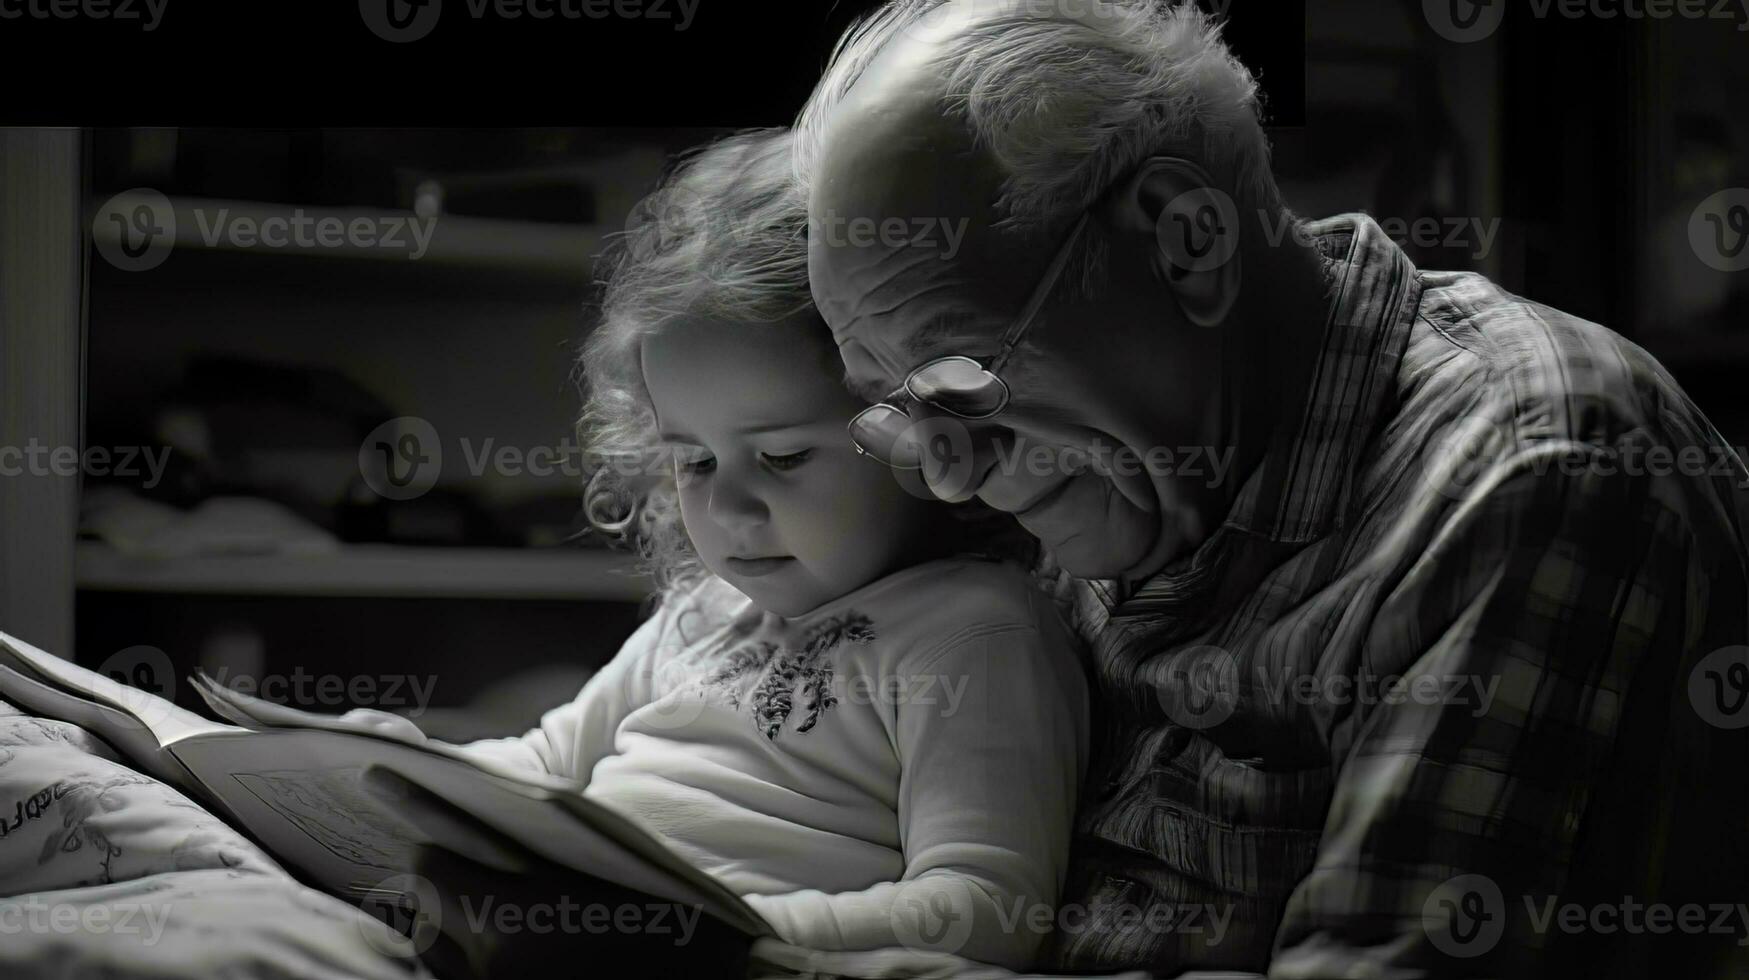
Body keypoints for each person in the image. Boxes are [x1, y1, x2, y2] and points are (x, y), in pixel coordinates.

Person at [795, 2, 1749, 977]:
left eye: (959, 378)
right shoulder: (1110, 472)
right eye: (904, 414)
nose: (953, 474)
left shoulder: (1526, 473)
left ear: (1187, 241)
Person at [375, 128, 1089, 978]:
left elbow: (988, 908)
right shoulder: (701, 616)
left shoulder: (973, 632)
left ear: (922, 434)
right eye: (693, 461)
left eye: (783, 457)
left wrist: (713, 928)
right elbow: (542, 766)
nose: (725, 505)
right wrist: (385, 761)